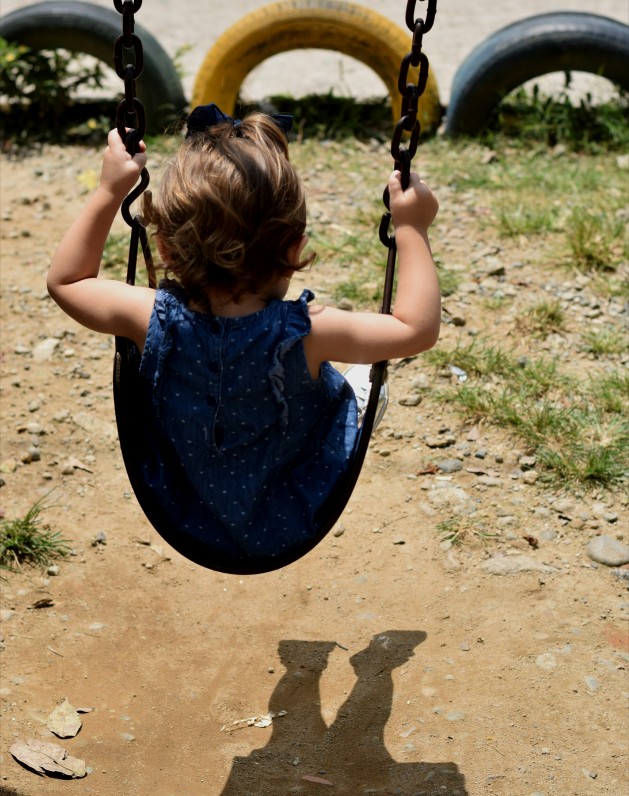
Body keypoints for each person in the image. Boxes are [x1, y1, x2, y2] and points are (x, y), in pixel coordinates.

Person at [47, 105, 440, 559]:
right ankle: (347, 404)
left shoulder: (147, 315)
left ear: (165, 249)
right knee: (348, 380)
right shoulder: (308, 333)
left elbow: (67, 281)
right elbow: (416, 328)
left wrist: (109, 190)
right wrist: (412, 227)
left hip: (186, 504)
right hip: (294, 504)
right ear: (294, 247)